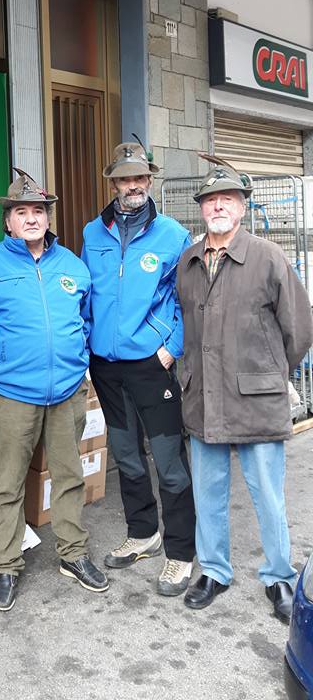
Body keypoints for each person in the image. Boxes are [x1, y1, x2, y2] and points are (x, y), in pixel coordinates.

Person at [176, 158, 313, 622]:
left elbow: (299, 329)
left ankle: (279, 577)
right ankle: (214, 570)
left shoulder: (268, 257)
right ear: (202, 210)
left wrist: (270, 373)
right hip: (202, 399)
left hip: (255, 401)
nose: (218, 206)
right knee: (208, 493)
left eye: (227, 199)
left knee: (268, 496)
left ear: (241, 207)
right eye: (211, 200)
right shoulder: (189, 261)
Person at [0, 169, 109, 612]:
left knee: (70, 476)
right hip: (12, 394)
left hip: (68, 391)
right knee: (8, 481)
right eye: (22, 211)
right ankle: (6, 565)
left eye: (39, 211)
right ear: (9, 221)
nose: (32, 218)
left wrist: (80, 367)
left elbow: (86, 320)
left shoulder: (72, 265)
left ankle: (72, 554)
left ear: (48, 218)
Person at [81, 141, 196, 596]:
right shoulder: (93, 232)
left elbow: (188, 299)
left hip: (152, 363)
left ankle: (181, 553)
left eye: (140, 177)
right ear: (113, 183)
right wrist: (88, 348)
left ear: (150, 181)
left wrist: (173, 347)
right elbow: (86, 294)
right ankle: (143, 533)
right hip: (107, 367)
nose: (132, 185)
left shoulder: (172, 234)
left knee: (169, 462)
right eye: (124, 179)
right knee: (127, 457)